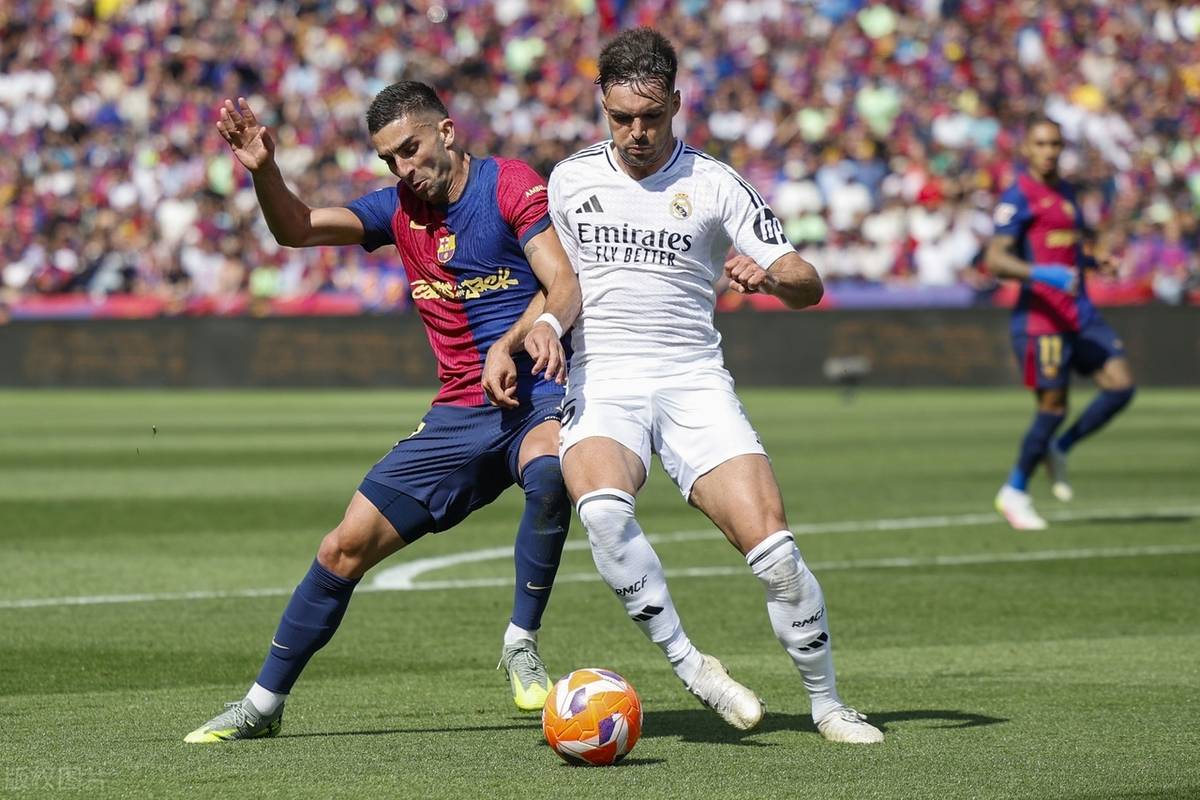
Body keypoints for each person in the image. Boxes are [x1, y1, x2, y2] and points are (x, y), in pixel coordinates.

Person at [516, 27, 883, 744]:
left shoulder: (715, 183)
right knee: (603, 512)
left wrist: (771, 277)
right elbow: (561, 286)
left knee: (776, 554)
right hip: (604, 378)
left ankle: (829, 704)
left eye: (651, 116)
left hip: (692, 380)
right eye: (621, 117)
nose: (637, 132)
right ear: (601, 105)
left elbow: (806, 280)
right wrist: (538, 330)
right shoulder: (568, 180)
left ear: (677, 104)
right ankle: (693, 667)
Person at [185, 81, 577, 742]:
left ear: (446, 131)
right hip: (457, 414)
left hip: (536, 392)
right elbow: (297, 229)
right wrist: (265, 171)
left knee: (549, 472)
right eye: (390, 159)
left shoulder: (509, 185)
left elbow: (563, 282)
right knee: (342, 548)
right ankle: (260, 706)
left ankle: (520, 641)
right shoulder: (397, 210)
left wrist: (514, 342)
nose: (403, 168)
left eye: (411, 149)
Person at [985, 118, 1136, 531]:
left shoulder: (1066, 191)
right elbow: (996, 259)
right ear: (1027, 149)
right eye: (1041, 144)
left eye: (1055, 144)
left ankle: (1060, 447)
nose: (1049, 151)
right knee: (1053, 407)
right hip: (1042, 319)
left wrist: (1093, 261)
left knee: (1121, 386)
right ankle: (1014, 491)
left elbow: (1064, 250)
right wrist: (1042, 274)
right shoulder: (1018, 196)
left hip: (1080, 311)